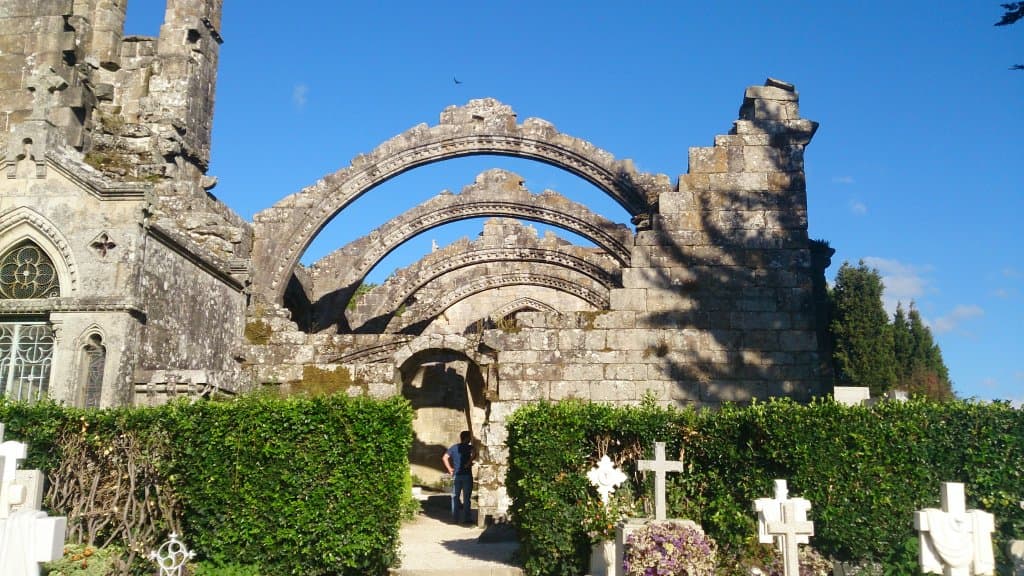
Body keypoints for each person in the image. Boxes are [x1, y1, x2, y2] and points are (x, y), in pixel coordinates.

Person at [442, 430, 476, 524]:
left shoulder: (454, 447)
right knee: (466, 498)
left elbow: (444, 457)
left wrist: (449, 469)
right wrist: (469, 462)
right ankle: (467, 518)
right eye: (470, 437)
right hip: (467, 475)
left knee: (455, 497)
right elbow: (475, 453)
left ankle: (455, 519)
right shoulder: (470, 447)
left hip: (456, 475)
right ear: (467, 438)